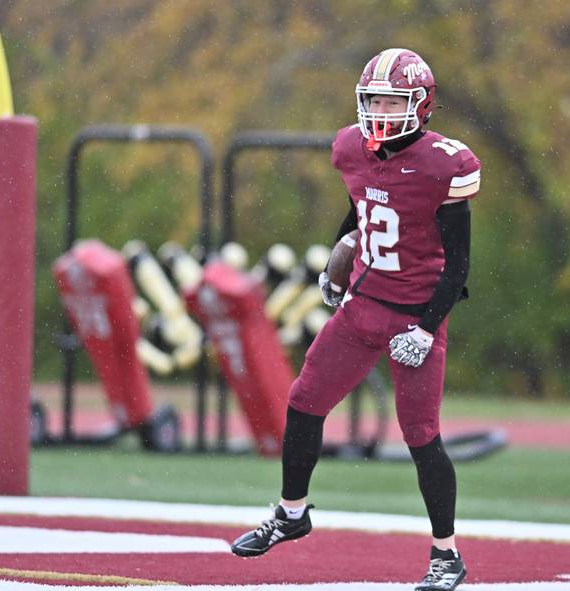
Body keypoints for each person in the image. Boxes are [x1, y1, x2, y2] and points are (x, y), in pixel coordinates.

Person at [231, 47, 480, 591]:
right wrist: (336, 260)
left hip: (415, 313)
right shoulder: (352, 147)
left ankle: (446, 555)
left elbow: (458, 263)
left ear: (422, 104)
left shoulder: (445, 164)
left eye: (394, 100)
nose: (382, 111)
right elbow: (361, 205)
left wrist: (427, 325)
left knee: (421, 436)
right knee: (303, 402)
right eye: (374, 100)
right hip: (363, 304)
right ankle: (291, 513)